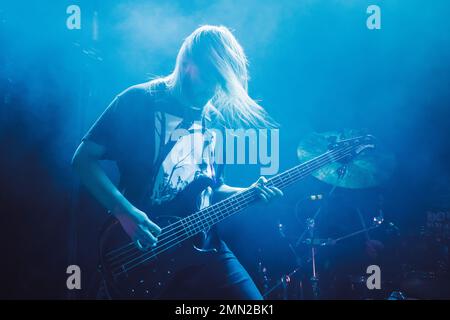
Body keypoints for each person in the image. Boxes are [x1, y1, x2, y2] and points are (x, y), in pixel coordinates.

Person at [72, 25, 282, 299]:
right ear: (186, 64)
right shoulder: (140, 100)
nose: (212, 88)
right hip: (147, 249)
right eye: (208, 76)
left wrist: (248, 193)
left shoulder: (214, 120)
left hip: (206, 247)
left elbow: (210, 189)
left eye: (219, 81)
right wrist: (124, 212)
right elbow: (83, 160)